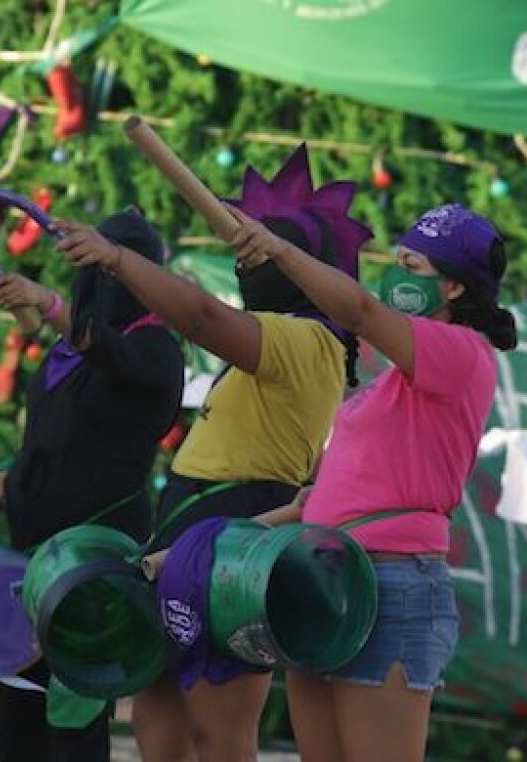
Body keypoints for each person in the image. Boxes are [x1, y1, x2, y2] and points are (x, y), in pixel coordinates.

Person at [53, 147, 370, 762]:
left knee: (218, 733)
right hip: (189, 525)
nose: (245, 263)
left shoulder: (312, 340)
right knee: (157, 713)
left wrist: (117, 258)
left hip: (240, 536)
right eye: (242, 252)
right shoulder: (277, 340)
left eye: (262, 252)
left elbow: (200, 317)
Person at [227, 201, 517, 762]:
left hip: (391, 583)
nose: (396, 274)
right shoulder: (391, 385)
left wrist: (281, 250)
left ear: (455, 287)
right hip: (322, 577)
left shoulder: (462, 352)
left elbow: (360, 310)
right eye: (397, 259)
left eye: (412, 266)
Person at [0, 208, 184, 762]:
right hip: (33, 552)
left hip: (93, 560)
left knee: (75, 714)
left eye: (117, 269)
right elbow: (57, 435)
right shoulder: (65, 350)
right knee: (19, 703)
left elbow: (113, 353)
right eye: (95, 268)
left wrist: (48, 304)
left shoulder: (158, 347)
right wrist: (14, 475)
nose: (103, 282)